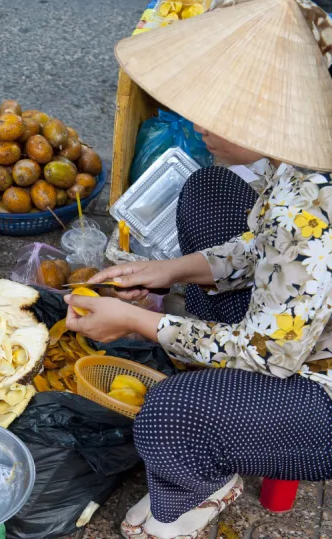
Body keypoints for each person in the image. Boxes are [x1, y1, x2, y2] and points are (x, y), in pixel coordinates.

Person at [63, 0, 332, 537]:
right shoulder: (300, 162)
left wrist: (142, 323)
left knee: (169, 413)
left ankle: (199, 491)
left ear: (267, 119)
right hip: (293, 324)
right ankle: (220, 403)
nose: (199, 126)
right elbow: (267, 245)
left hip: (312, 381)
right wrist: (167, 272)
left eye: (217, 115)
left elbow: (268, 355)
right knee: (208, 190)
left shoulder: (311, 210)